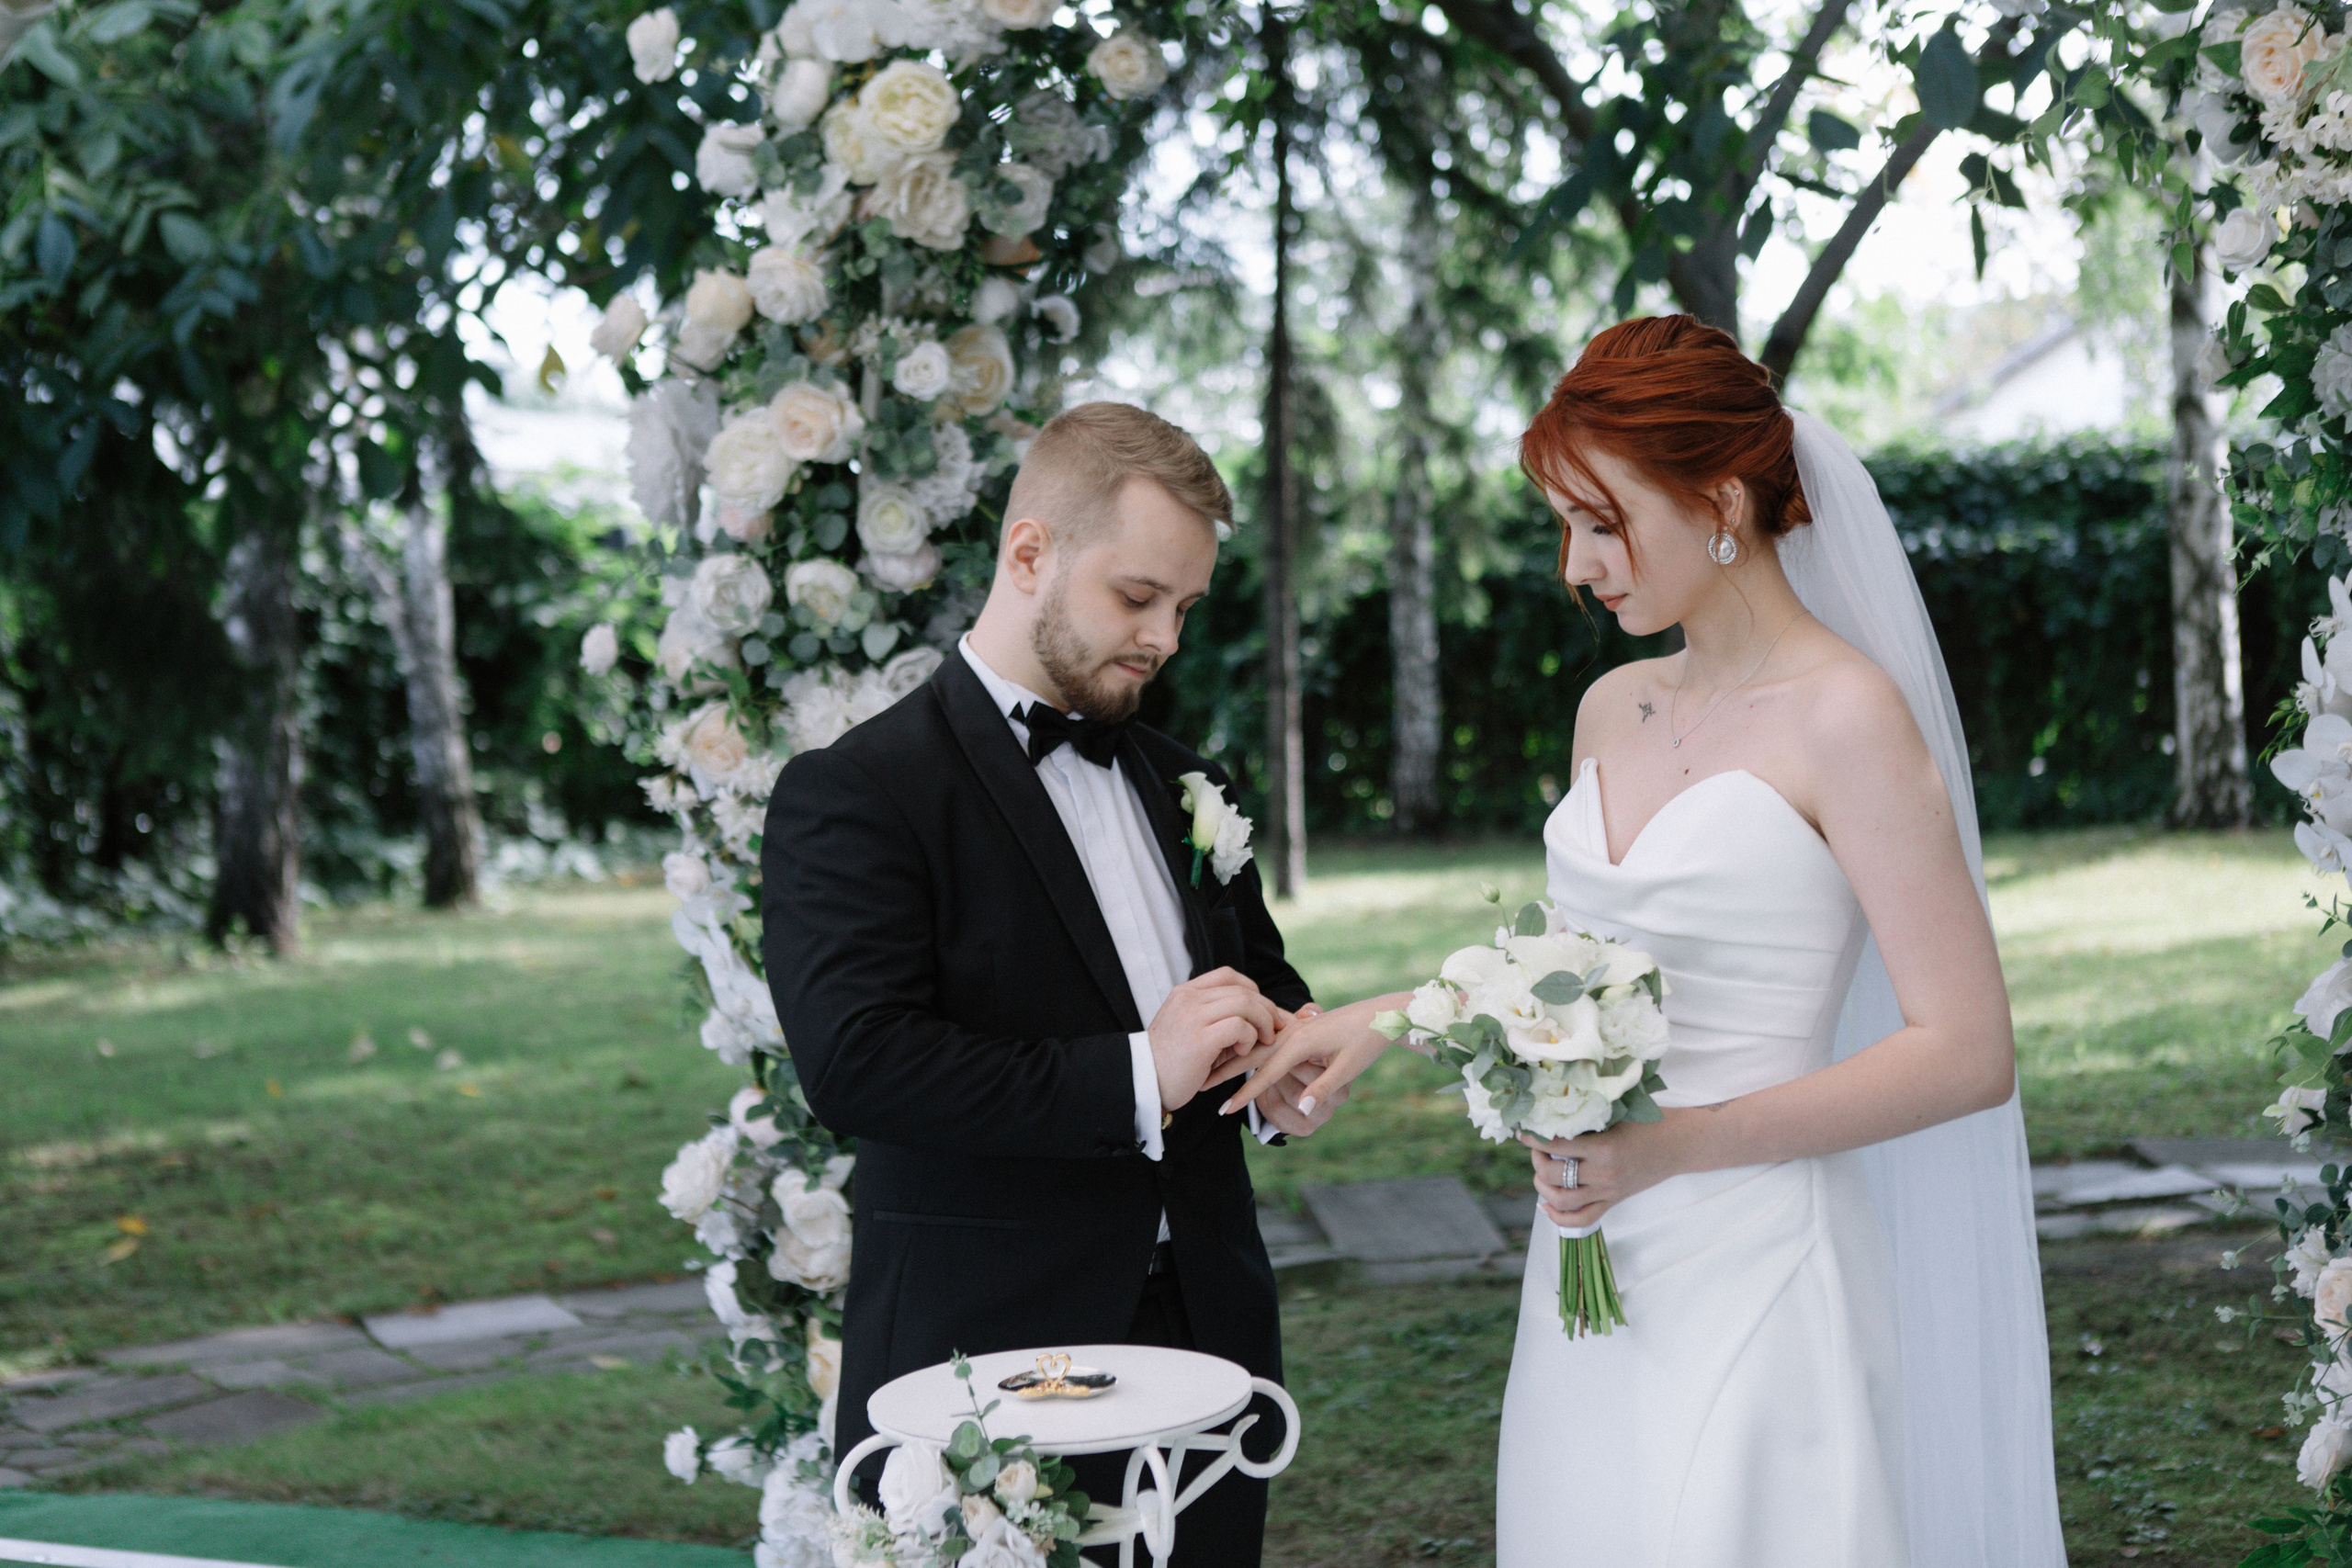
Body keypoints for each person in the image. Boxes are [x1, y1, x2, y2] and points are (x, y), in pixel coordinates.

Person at [1222, 316, 2065, 1567]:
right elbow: (1578, 974)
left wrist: (1671, 1148)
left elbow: (1966, 1049)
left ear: (1720, 499)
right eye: (1564, 524)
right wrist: (1388, 1013)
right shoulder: (1612, 706)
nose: (1576, 562)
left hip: (1763, 1260)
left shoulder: (1848, 716)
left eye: (1603, 523)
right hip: (1593, 1261)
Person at [760, 400, 1338, 1566]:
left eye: (1183, 607)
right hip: (984, 1364)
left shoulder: (1185, 782)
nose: (1164, 637)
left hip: (1209, 1339)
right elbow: (858, 1062)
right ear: (1030, 553)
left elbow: (1259, 984)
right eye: (1138, 598)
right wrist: (1140, 1072)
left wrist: (1282, 1057)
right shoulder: (860, 791)